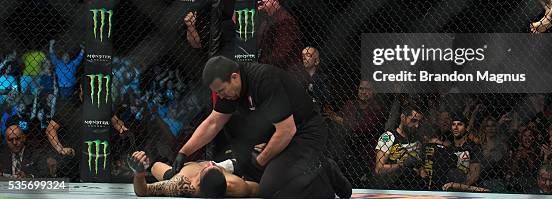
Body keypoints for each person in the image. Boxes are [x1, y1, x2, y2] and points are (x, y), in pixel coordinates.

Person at [172, 56, 351, 199]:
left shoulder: (263, 80)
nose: (221, 96)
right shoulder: (229, 90)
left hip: (306, 132)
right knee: (246, 164)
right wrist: (184, 152)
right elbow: (213, 122)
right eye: (217, 93)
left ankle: (324, 172)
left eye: (221, 90)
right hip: (281, 134)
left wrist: (260, 161)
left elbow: (287, 131)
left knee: (270, 189)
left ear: (234, 77)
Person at [128, 150, 258, 197]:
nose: (210, 164)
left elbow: (143, 191)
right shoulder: (235, 186)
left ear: (198, 181)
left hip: (185, 170)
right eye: (212, 166)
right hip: (226, 166)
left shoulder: (181, 183)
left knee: (155, 166)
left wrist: (139, 173)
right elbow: (258, 188)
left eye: (209, 167)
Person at [373, 103, 423, 189]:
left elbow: (419, 167)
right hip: (391, 186)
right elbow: (379, 169)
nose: (416, 125)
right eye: (413, 120)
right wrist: (401, 165)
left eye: (419, 122)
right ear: (403, 117)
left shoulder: (418, 139)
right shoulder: (388, 137)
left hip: (413, 187)